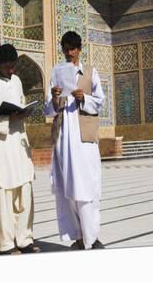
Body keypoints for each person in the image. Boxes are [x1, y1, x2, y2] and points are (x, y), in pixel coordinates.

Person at [44, 31, 106, 250]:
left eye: (72, 48)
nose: (69, 53)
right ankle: (78, 237)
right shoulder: (56, 75)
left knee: (88, 187)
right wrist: (53, 97)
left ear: (79, 49)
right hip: (63, 138)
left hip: (84, 139)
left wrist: (84, 98)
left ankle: (92, 237)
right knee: (68, 189)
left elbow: (99, 102)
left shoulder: (91, 72)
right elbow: (47, 110)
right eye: (65, 49)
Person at [0, 43, 39, 255]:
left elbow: (20, 102)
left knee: (24, 192)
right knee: (3, 196)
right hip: (1, 145)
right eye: (7, 67)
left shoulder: (17, 80)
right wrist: (5, 119)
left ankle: (24, 239)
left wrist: (22, 113)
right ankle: (5, 244)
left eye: (13, 66)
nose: (10, 70)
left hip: (19, 143)